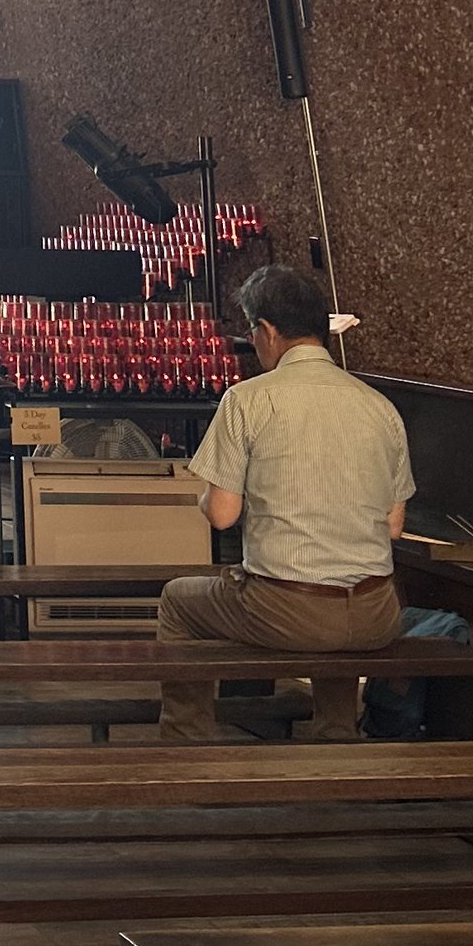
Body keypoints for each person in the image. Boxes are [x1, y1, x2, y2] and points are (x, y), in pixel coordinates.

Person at [159, 263, 413, 742]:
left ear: (268, 331)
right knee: (339, 591)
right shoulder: (379, 406)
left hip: (290, 614)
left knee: (178, 600)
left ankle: (186, 739)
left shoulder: (249, 400)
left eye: (252, 332)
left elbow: (221, 515)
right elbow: (393, 526)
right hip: (378, 614)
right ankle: (336, 734)